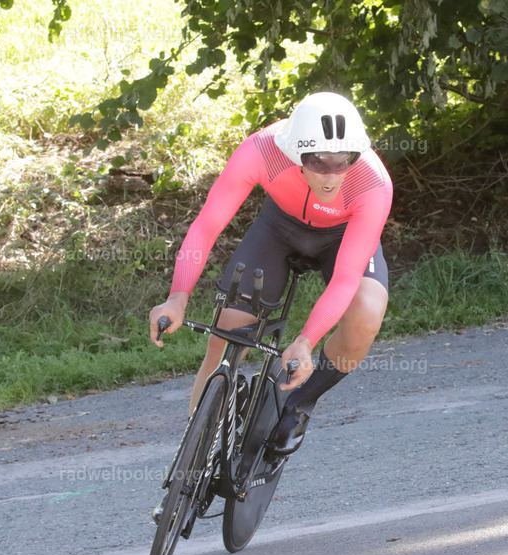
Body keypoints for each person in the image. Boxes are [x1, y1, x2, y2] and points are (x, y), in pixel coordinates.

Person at [149, 91, 393, 457]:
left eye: (343, 162)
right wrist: (178, 296)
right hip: (279, 229)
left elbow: (345, 278)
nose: (330, 176)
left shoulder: (373, 183)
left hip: (343, 236)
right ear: (295, 152)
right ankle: (192, 456)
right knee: (229, 330)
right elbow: (206, 226)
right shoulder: (262, 149)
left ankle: (298, 404)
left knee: (366, 314)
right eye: (317, 161)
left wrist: (307, 340)